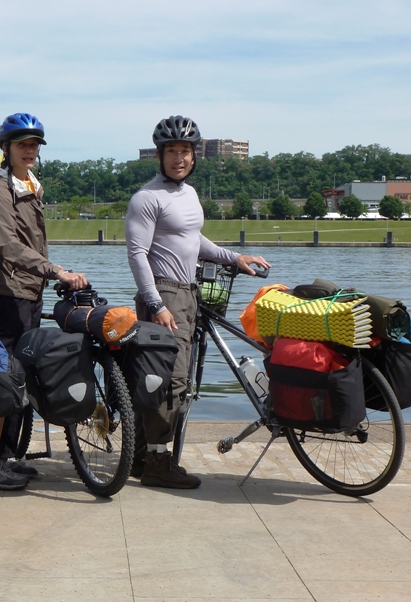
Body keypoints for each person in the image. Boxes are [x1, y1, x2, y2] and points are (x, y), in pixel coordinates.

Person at [125, 115, 271, 489]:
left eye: (185, 151)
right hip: (164, 293)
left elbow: (194, 240)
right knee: (168, 380)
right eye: (171, 151)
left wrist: (232, 257)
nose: (179, 158)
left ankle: (143, 458)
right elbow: (138, 254)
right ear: (159, 156)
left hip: (188, 291)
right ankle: (158, 463)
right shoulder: (147, 198)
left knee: (166, 378)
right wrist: (155, 304)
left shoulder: (188, 194)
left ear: (194, 157)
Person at [0, 112, 88, 490]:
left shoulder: (28, 185)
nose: (30, 150)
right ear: (6, 148)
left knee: (20, 375)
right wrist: (54, 270)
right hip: (4, 294)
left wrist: (48, 274)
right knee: (2, 376)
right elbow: (5, 245)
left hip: (28, 292)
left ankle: (8, 455)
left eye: (35, 145)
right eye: (23, 144)